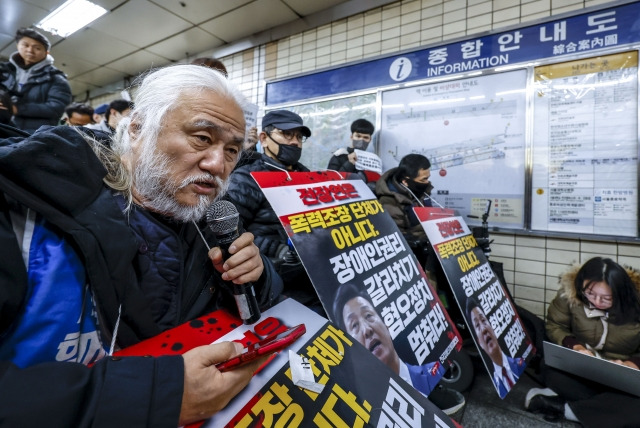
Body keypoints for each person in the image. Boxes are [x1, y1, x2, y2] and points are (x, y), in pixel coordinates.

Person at [0, 64, 283, 427]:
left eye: (232, 150)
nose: (218, 164)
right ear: (137, 128)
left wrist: (254, 276)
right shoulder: (24, 212)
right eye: (201, 138)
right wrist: (153, 396)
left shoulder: (208, 218)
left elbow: (259, 303)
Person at [225, 110, 322, 313]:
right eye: (287, 134)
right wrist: (276, 250)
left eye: (298, 136)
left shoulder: (310, 178)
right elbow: (230, 233)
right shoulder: (247, 178)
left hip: (315, 275)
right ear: (264, 139)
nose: (294, 142)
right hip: (275, 281)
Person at [525, 257, 640, 426]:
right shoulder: (570, 296)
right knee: (552, 370)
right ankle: (607, 408)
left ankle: (562, 407)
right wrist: (575, 346)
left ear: (621, 293)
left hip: (624, 378)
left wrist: (633, 364)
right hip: (581, 370)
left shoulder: (636, 303)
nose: (597, 302)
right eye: (590, 294)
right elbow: (555, 325)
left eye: (607, 298)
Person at [332, 282, 464, 415]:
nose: (367, 330)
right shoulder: (367, 410)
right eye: (354, 325)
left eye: (368, 315)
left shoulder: (434, 367)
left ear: (386, 324)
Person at [0, 27, 71, 133]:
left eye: (37, 48)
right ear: (17, 45)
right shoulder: (4, 70)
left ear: (47, 52)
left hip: (32, 135)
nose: (30, 50)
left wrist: (17, 108)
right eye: (25, 45)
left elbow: (56, 107)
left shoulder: (56, 78)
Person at [466, 296, 526, 398]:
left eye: (483, 320)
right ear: (478, 342)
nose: (484, 329)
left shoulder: (520, 363)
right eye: (477, 325)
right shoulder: (497, 384)